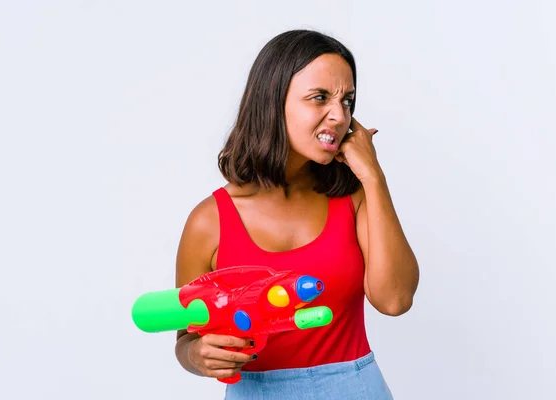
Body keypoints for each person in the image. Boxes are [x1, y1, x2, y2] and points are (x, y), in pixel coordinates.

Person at [174, 29, 419, 400]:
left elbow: (395, 300)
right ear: (273, 102)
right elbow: (186, 338)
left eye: (347, 100)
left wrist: (372, 176)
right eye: (319, 97)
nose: (338, 115)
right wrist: (197, 355)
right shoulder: (209, 222)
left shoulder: (353, 197)